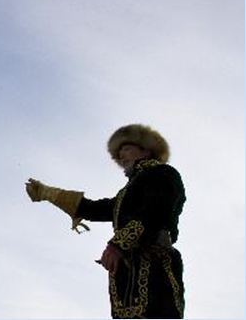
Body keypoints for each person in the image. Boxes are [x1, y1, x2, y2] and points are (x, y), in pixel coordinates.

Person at [26, 124, 186, 319]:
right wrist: (47, 192)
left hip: (154, 269)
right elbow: (93, 209)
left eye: (126, 149)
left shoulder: (163, 174)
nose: (121, 157)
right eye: (119, 153)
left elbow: (154, 212)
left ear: (145, 149)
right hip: (127, 275)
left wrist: (117, 246)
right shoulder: (125, 194)